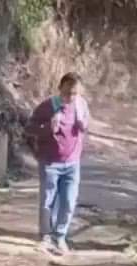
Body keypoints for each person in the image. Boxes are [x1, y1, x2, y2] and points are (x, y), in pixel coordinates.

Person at [28, 72, 90, 255]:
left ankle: (60, 236)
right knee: (48, 202)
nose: (70, 97)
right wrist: (48, 128)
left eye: (74, 94)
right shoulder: (47, 107)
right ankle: (45, 237)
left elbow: (86, 124)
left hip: (73, 163)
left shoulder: (81, 105)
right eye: (67, 93)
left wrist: (82, 123)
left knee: (69, 202)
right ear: (60, 89)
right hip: (50, 163)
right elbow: (29, 128)